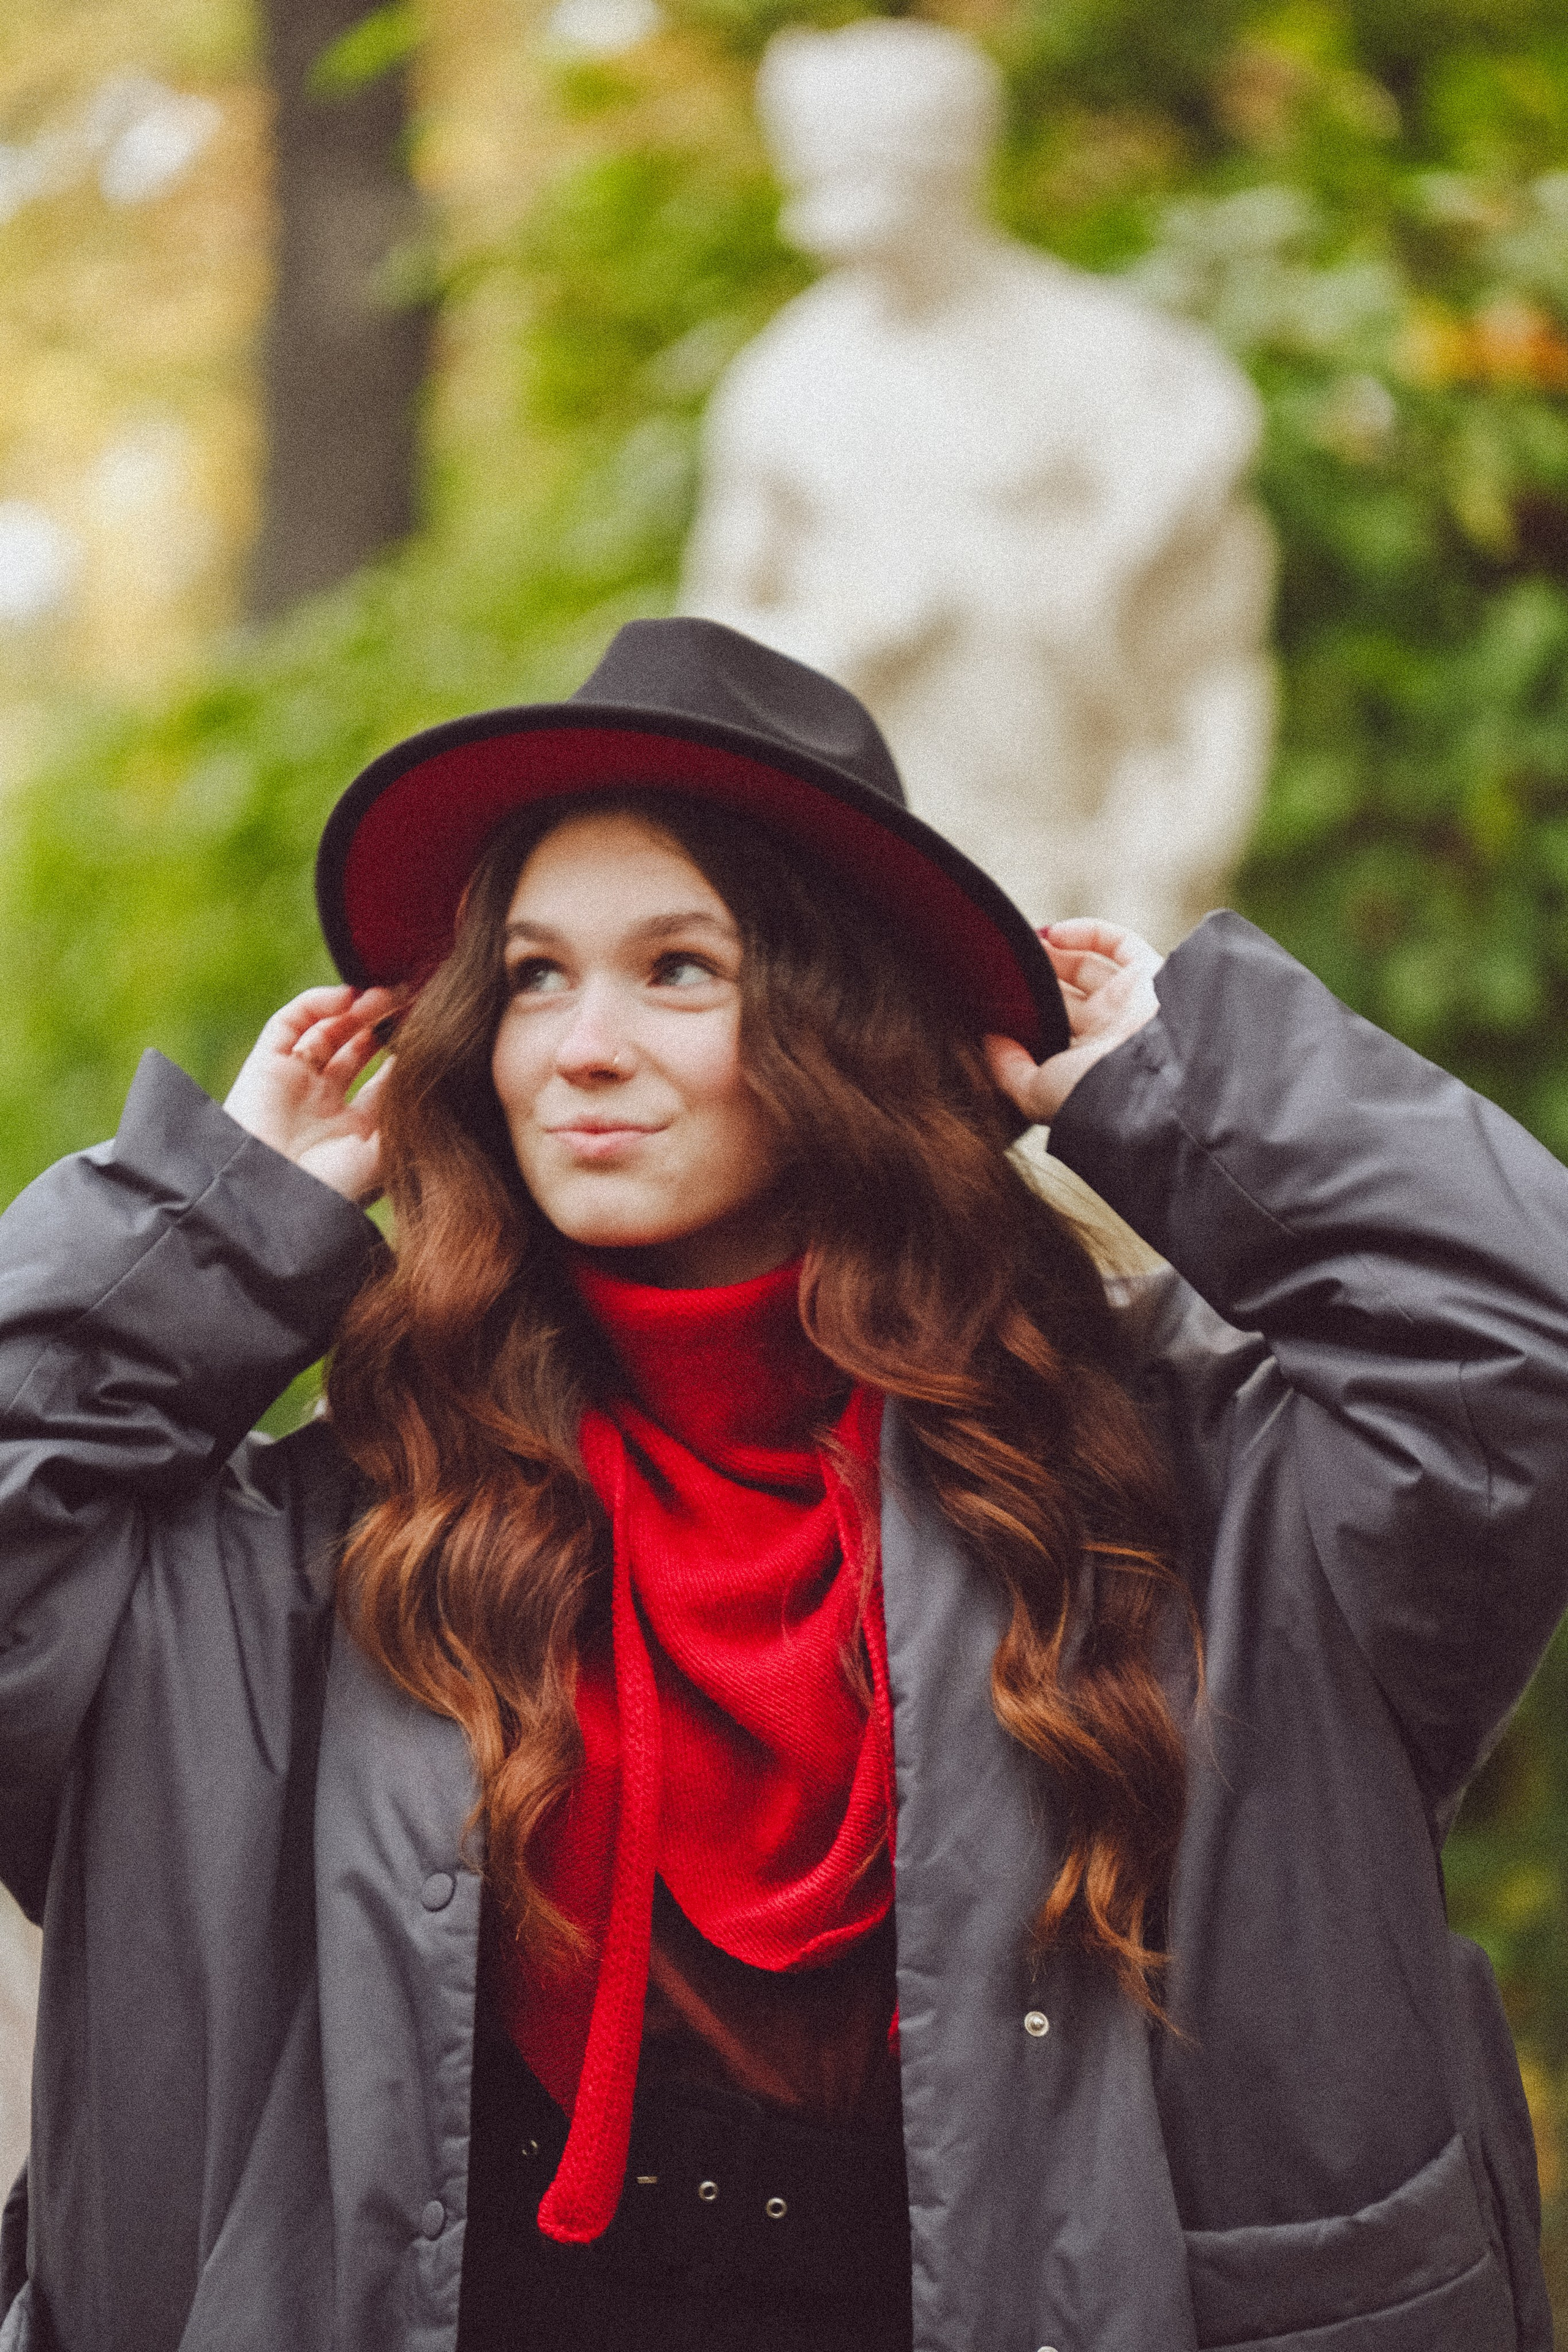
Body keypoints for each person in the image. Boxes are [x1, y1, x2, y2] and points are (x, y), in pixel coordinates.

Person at [0, 617, 1562, 2352]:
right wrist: (211, 1223)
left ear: (840, 1020)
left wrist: (1182, 1096)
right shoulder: (339, 1534)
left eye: (679, 968)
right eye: (530, 975)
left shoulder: (1170, 1480)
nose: (579, 1046)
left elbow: (1515, 1344)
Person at [681, 18, 1276, 949]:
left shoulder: (1111, 364)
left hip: (1087, 886)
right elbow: (703, 654)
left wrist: (1175, 857)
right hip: (860, 901)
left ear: (949, 164)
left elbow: (1213, 656)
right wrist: (833, 636)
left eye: (864, 169)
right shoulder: (786, 385)